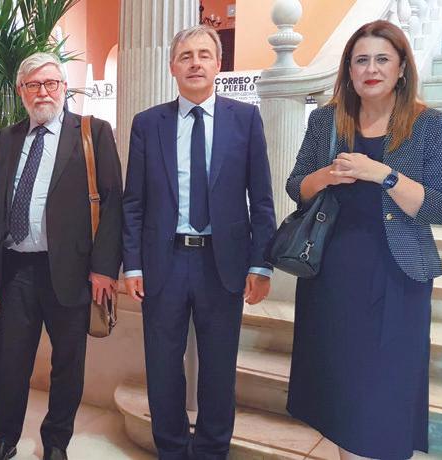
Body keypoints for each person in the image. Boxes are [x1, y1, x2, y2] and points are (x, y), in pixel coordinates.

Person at [285, 20, 442, 460]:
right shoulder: (326, 121)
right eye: (361, 60)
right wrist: (328, 175)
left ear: (401, 68)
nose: (371, 69)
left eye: (382, 59)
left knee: (384, 395)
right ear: (349, 69)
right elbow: (296, 187)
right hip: (333, 277)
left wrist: (384, 175)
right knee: (340, 394)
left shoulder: (429, 124)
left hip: (398, 278)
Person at [122, 24, 276, 459]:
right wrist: (132, 264)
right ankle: (172, 449)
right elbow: (134, 202)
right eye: (185, 56)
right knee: (162, 368)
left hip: (222, 264)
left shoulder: (245, 119)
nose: (195, 63)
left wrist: (261, 264)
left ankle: (211, 451)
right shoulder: (148, 124)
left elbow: (262, 198)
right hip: (164, 262)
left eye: (204, 55)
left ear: (218, 64)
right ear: (172, 66)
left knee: (219, 369)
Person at [0, 52, 123, 460]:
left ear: (64, 88)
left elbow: (113, 202)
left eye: (51, 83)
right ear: (21, 91)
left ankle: (56, 442)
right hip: (16, 269)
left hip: (72, 271)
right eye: (33, 85)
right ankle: (4, 439)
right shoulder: (8, 138)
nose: (43, 92)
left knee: (68, 364)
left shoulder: (93, 132)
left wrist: (103, 268)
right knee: (10, 362)